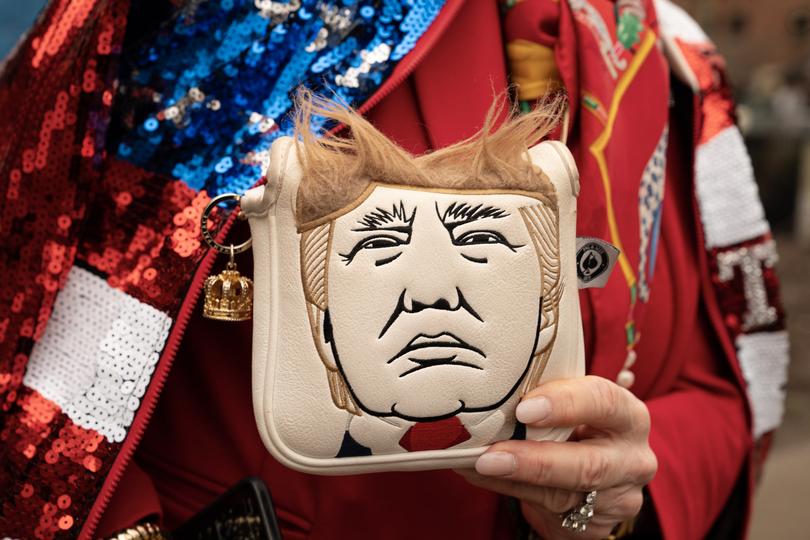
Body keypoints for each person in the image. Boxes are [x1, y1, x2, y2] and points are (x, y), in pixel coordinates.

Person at [0, 0, 789, 539]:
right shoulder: (217, 21)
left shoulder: (666, 56)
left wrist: (620, 501)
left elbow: (713, 384)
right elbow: (33, 307)